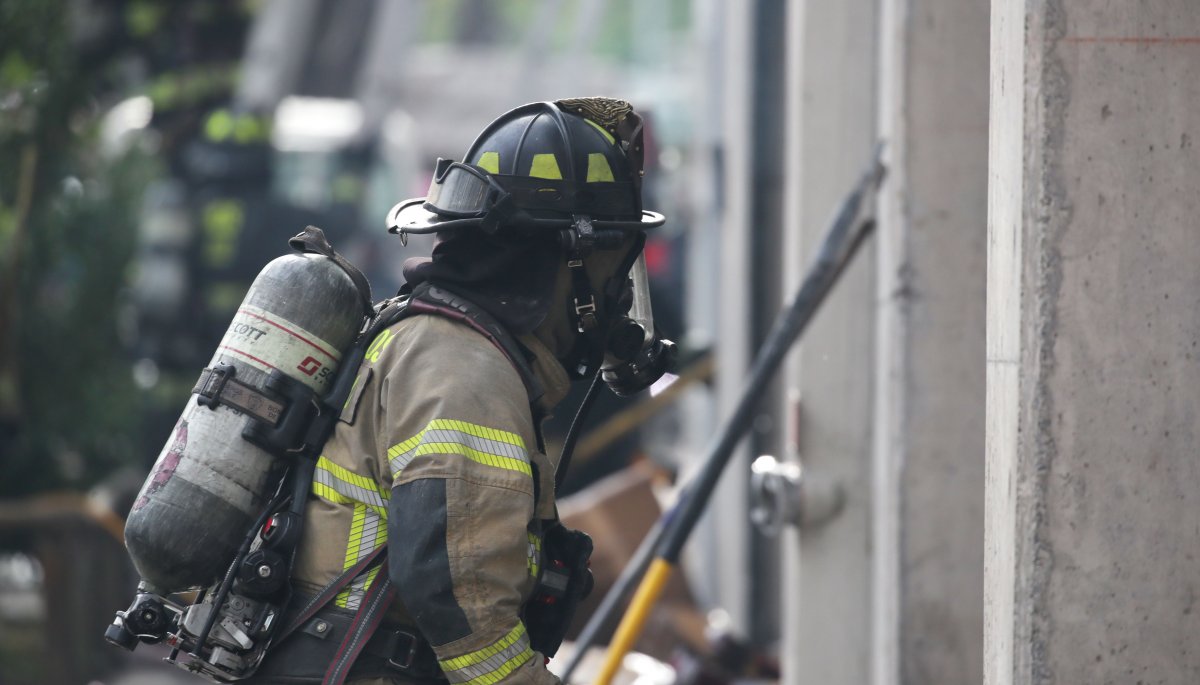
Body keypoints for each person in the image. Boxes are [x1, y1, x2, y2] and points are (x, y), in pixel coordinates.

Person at [249, 98, 671, 684]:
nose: (616, 294)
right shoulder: (464, 370)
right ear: (568, 262)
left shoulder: (436, 342)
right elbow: (456, 590)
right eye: (609, 265)